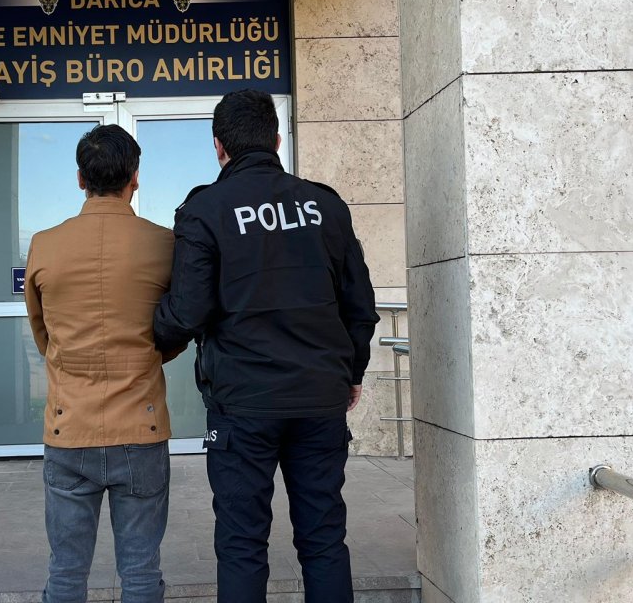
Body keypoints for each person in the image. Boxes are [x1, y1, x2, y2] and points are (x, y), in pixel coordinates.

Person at [153, 89, 379, 602]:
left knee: (242, 544)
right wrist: (352, 374)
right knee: (323, 540)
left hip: (243, 405)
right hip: (318, 399)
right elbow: (359, 305)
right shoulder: (325, 206)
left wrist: (146, 334)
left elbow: (186, 312)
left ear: (218, 146)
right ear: (277, 141)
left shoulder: (205, 210)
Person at [24, 124, 181, 603]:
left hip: (69, 426)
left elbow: (43, 334)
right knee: (141, 572)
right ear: (135, 177)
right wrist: (148, 354)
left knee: (66, 574)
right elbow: (175, 327)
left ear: (80, 178)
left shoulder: (45, 244)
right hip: (141, 425)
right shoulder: (164, 244)